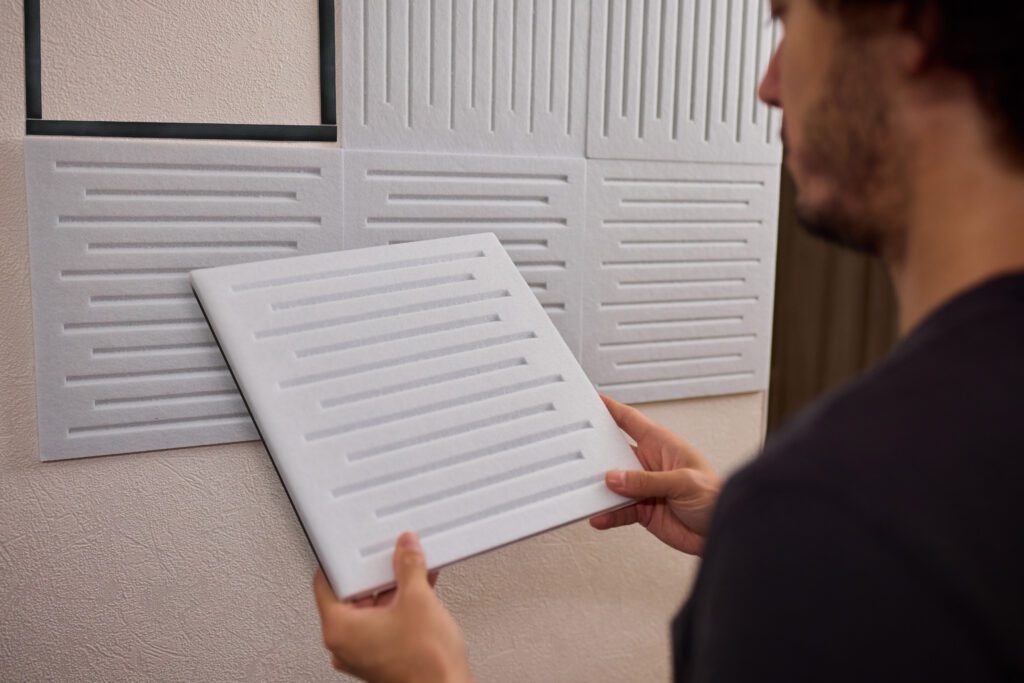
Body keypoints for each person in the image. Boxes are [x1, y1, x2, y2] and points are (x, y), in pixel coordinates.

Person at [312, 0, 1024, 679]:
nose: (768, 84)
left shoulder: (829, 507)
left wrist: (430, 676)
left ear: (915, 26)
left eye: (787, 20)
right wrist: (749, 520)